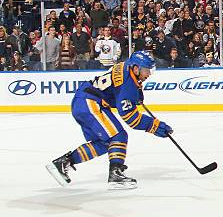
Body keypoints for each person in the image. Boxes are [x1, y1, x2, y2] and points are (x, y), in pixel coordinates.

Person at [46, 51, 173, 189]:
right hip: (90, 103)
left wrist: (136, 92)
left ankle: (64, 163)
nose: (148, 74)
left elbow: (117, 89)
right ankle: (115, 174)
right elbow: (131, 119)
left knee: (105, 143)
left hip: (83, 101)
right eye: (146, 70)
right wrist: (154, 126)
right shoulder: (127, 84)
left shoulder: (126, 66)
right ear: (136, 68)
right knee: (118, 136)